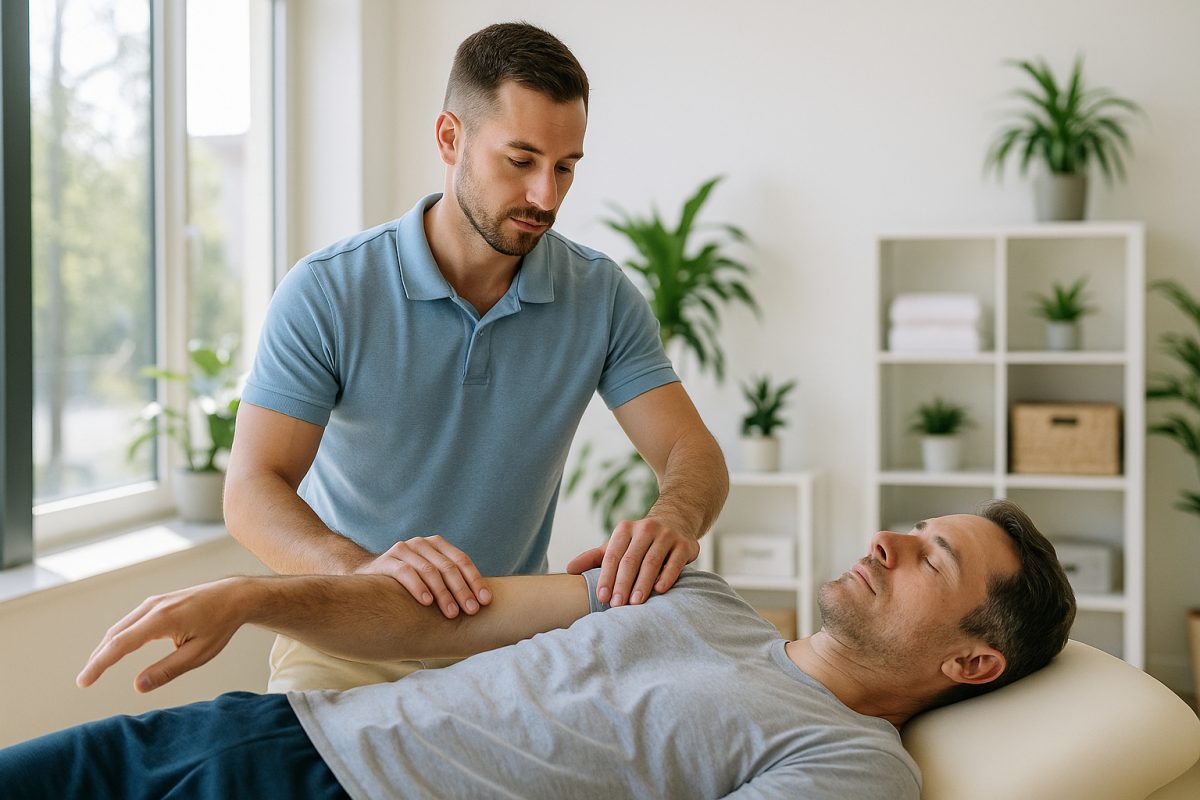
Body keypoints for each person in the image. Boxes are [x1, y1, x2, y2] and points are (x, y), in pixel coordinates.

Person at [223, 21, 729, 692]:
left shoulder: (600, 296)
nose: (546, 196)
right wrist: (360, 573)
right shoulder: (328, 291)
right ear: (449, 138)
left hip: (508, 647)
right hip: (345, 641)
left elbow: (692, 451)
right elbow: (252, 489)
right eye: (520, 161)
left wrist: (673, 520)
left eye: (565, 167)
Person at [0, 500, 1076, 799]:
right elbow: (432, 620)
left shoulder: (853, 764)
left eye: (933, 557)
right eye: (913, 527)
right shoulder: (694, 591)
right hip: (269, 730)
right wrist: (247, 597)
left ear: (972, 662)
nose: (887, 540)